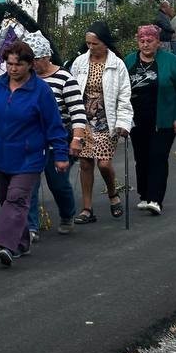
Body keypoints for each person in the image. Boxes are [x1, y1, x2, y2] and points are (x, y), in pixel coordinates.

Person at [0, 41, 69, 266]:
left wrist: (60, 154)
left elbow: (54, 126)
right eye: (9, 64)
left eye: (18, 65)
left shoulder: (41, 92)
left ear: (30, 65)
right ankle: (21, 243)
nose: (13, 69)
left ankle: (7, 245)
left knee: (17, 199)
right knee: (6, 200)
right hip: (2, 155)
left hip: (30, 157)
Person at [70, 21, 132, 223]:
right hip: (84, 120)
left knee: (104, 164)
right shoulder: (80, 62)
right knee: (86, 163)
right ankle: (87, 209)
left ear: (105, 43)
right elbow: (71, 91)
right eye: (88, 43)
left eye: (94, 43)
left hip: (107, 120)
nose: (90, 47)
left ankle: (113, 194)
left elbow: (124, 96)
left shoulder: (117, 65)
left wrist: (124, 122)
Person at [23, 30, 82, 238]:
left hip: (58, 139)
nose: (32, 65)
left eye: (35, 60)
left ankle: (67, 214)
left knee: (58, 183)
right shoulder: (26, 79)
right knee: (29, 185)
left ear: (46, 57)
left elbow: (77, 111)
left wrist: (76, 138)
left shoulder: (64, 78)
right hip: (32, 140)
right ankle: (30, 227)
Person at [125, 26, 176, 215]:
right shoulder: (129, 61)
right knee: (141, 158)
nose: (145, 44)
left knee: (158, 157)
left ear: (158, 43)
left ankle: (155, 199)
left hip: (164, 120)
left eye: (149, 41)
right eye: (142, 41)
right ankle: (144, 195)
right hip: (137, 120)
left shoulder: (170, 61)